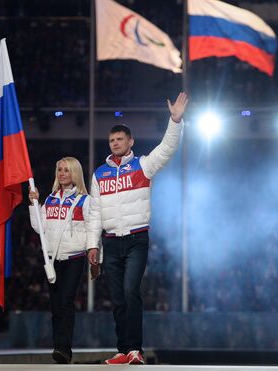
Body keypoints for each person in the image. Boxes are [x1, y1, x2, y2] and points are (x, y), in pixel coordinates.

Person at [88, 92, 189, 365]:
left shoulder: (142, 166)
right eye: (111, 140)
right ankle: (123, 350)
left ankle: (135, 350)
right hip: (110, 241)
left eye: (120, 139)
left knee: (131, 291)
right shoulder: (100, 174)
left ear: (130, 142)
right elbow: (95, 212)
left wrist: (175, 121)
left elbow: (166, 149)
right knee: (118, 298)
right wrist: (92, 245)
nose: (115, 143)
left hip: (136, 238)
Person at [28, 157, 94, 364]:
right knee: (56, 306)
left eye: (66, 170)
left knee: (65, 302)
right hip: (52, 260)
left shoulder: (85, 200)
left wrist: (95, 255)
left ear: (75, 173)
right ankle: (59, 349)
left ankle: (64, 349)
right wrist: (34, 203)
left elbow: (93, 228)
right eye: (59, 170)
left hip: (74, 257)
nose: (62, 173)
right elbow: (39, 227)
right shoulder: (50, 199)